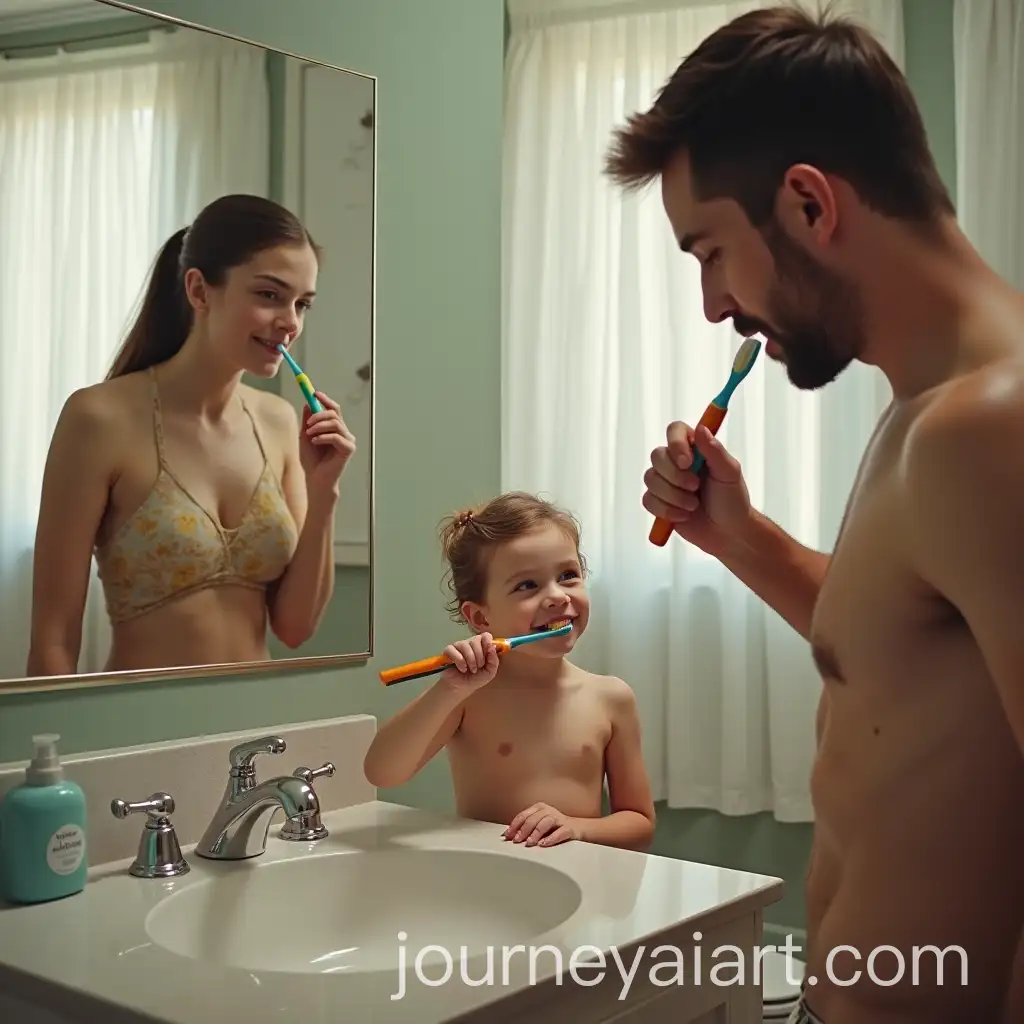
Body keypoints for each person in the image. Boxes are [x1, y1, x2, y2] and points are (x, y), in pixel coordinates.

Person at [604, 5, 1024, 1023]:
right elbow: (912, 651)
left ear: (806, 203)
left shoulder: (991, 425)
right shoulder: (928, 410)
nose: (712, 305)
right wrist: (739, 539)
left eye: (709, 251)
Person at [27, 194, 356, 675]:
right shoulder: (98, 419)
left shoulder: (280, 421)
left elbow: (294, 627)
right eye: (269, 295)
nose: (291, 322)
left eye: (302, 303)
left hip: (256, 715)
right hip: (139, 714)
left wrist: (324, 490)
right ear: (200, 291)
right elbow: (53, 641)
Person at [363, 491, 656, 851]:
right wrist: (448, 690)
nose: (558, 596)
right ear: (480, 617)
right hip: (491, 873)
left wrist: (577, 828)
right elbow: (382, 773)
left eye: (568, 575)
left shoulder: (611, 698)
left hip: (579, 876)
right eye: (527, 585)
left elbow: (640, 824)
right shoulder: (469, 696)